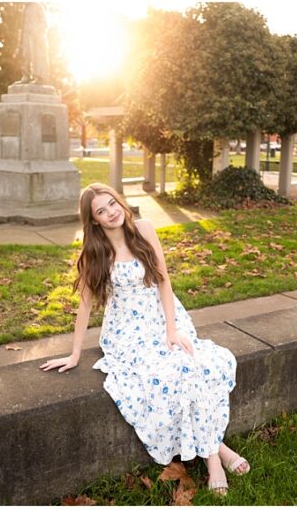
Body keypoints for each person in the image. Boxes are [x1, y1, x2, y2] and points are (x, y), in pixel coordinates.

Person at [40, 183, 249, 495]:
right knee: (175, 373)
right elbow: (84, 307)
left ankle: (213, 452)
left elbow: (164, 281)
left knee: (203, 365)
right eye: (101, 210)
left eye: (112, 204)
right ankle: (216, 456)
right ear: (94, 220)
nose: (111, 213)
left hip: (165, 318)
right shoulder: (94, 254)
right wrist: (74, 355)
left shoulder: (144, 229)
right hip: (128, 333)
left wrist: (171, 329)